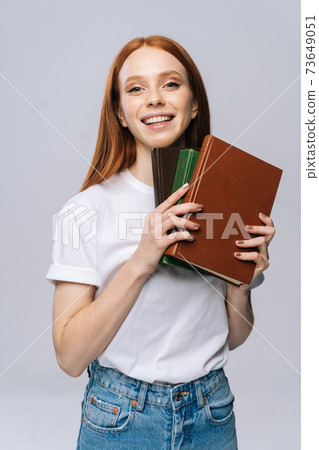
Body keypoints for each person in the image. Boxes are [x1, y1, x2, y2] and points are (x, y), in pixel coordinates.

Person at [46, 35, 275, 449]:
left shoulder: (224, 201)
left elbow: (233, 338)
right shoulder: (84, 211)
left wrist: (242, 283)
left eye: (170, 84)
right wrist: (142, 260)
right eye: (136, 88)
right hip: (121, 418)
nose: (154, 99)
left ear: (194, 105)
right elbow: (70, 358)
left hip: (213, 411)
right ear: (120, 112)